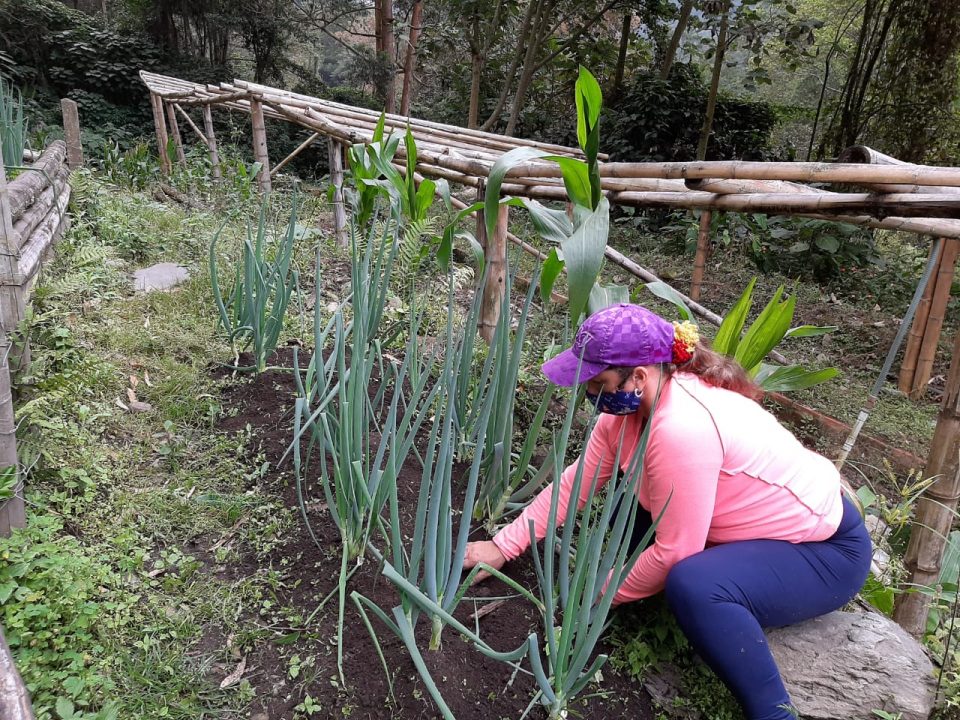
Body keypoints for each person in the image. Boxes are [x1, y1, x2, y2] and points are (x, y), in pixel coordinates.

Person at [462, 303, 872, 720]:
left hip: (824, 553)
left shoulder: (682, 429)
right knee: (629, 505)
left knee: (694, 585)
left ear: (639, 377)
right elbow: (574, 484)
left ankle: (775, 713)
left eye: (599, 382)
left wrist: (600, 595)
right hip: (754, 532)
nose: (590, 394)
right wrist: (503, 546)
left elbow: (677, 550)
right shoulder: (627, 415)